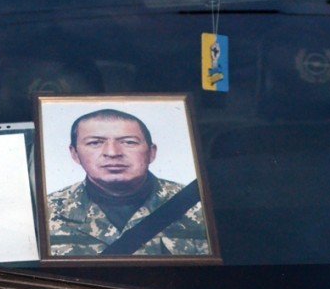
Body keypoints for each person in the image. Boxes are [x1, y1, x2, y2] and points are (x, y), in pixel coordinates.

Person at [47, 108, 209, 256]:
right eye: (95, 143)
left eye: (129, 142)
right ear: (75, 154)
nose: (112, 153)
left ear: (151, 152)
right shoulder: (46, 211)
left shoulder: (199, 205)